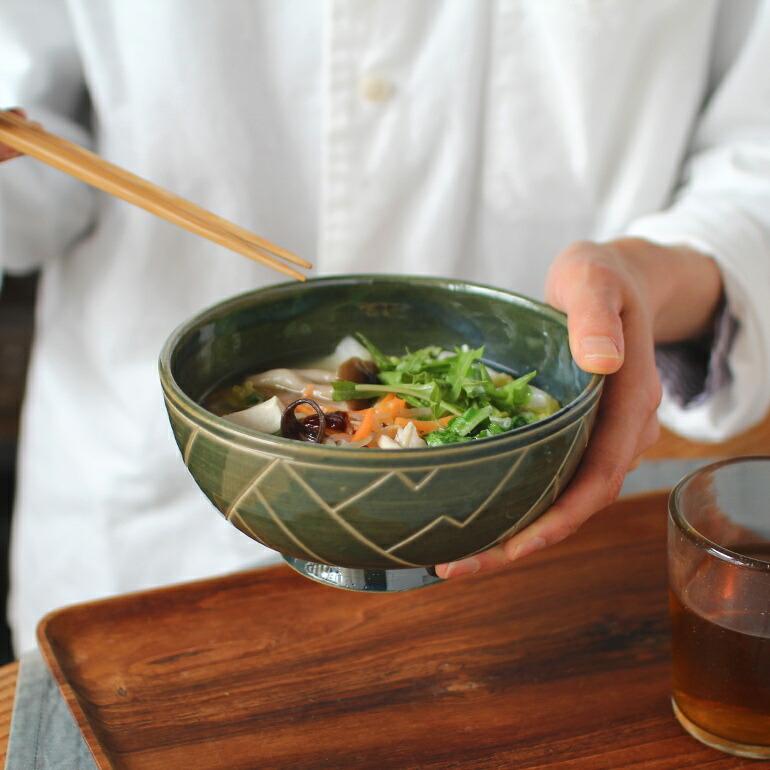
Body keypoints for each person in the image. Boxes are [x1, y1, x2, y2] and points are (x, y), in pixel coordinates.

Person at [1, 1, 769, 653]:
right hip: (149, 556)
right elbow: (42, 156)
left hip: (538, 556)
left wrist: (648, 274)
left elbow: (754, 155)